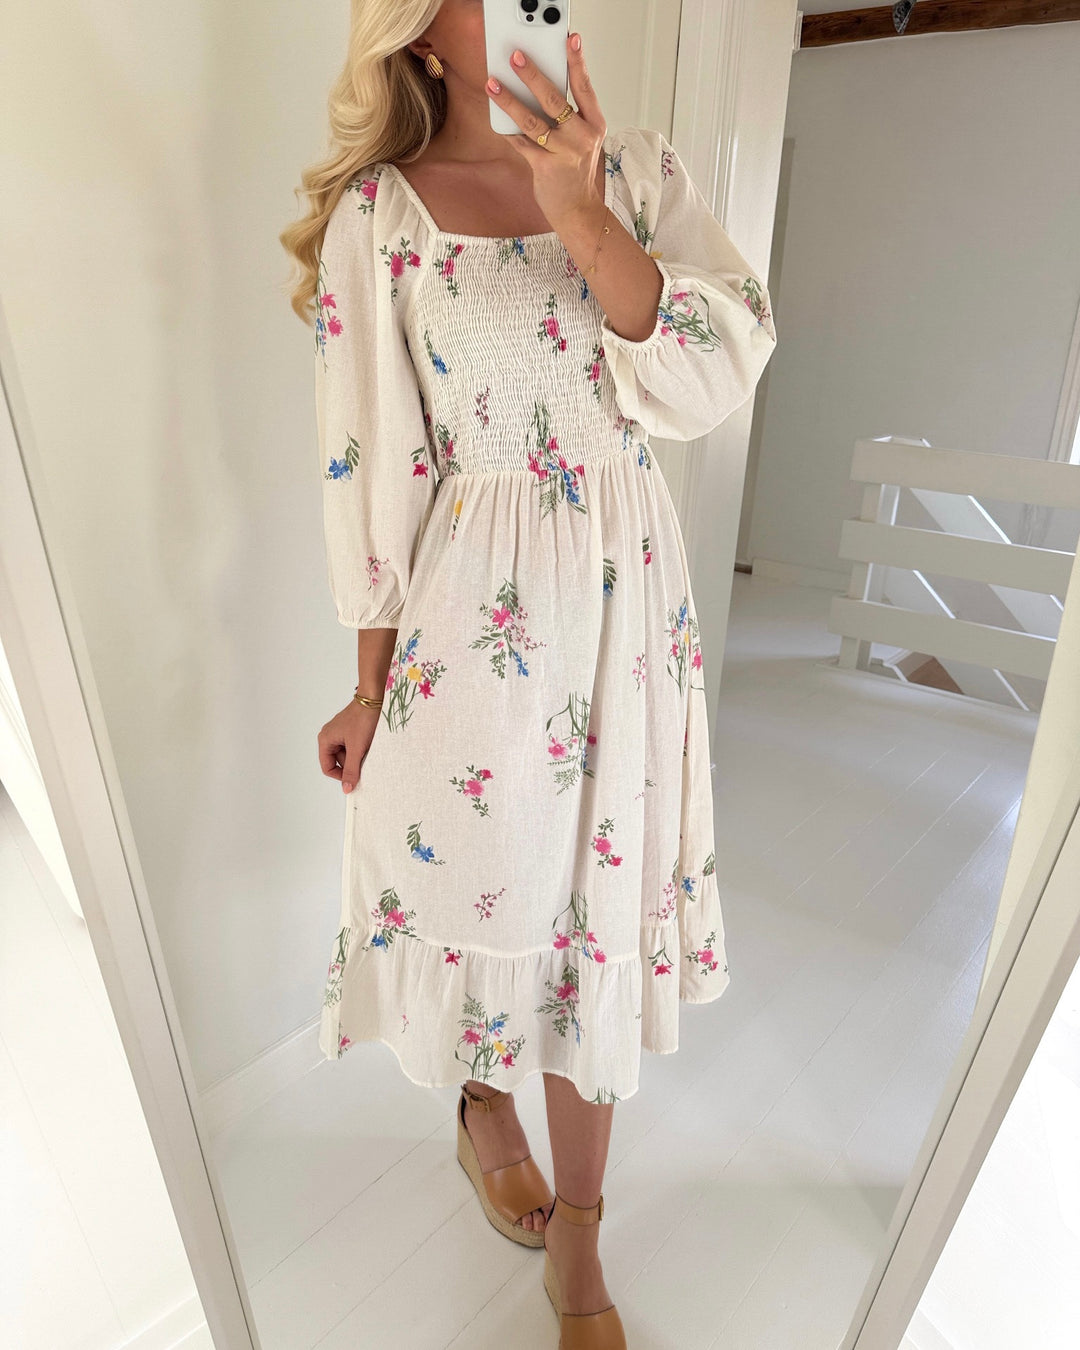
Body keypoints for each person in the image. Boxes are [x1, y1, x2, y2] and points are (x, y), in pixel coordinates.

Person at [282, 2, 776, 1342]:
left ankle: (582, 1231)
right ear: (415, 31)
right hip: (471, 619)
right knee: (480, 871)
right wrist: (368, 685)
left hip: (626, 610)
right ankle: (480, 1101)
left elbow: (715, 372)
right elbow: (375, 469)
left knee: (592, 911)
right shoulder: (382, 216)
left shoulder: (641, 170)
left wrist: (581, 209)